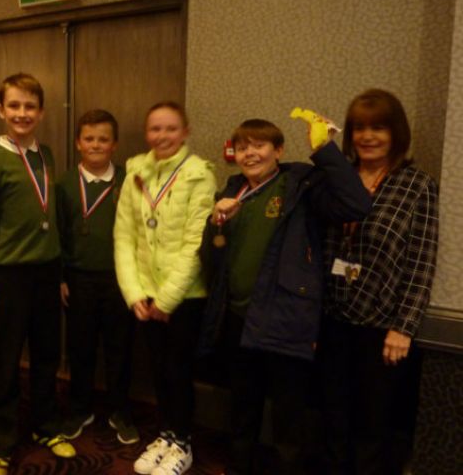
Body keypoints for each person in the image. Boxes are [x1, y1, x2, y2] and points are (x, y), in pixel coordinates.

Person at [199, 118, 371, 475]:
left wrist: (325, 151)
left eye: (259, 145)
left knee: (288, 417)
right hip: (238, 318)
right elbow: (212, 258)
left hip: (285, 318)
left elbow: (356, 205)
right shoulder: (232, 190)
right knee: (242, 409)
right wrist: (215, 222)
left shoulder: (300, 187)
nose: (250, 153)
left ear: (278, 150)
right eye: (242, 147)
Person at [320, 89, 439, 475]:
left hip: (382, 328)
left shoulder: (416, 185)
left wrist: (403, 327)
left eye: (378, 128)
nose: (367, 136)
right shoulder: (338, 178)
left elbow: (421, 262)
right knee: (331, 418)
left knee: (373, 427)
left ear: (396, 133)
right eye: (359, 128)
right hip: (332, 319)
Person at [0, 73, 76, 475]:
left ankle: (46, 426)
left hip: (46, 272)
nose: (22, 113)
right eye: (14, 105)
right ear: (1, 110)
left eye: (30, 106)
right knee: (6, 361)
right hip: (8, 274)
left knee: (47, 356)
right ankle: (1, 443)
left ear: (41, 112)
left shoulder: (45, 154)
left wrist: (59, 273)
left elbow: (49, 217)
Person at [114, 101, 216, 475]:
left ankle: (183, 443)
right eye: (156, 128)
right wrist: (134, 293)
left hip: (184, 297)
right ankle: (166, 434)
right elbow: (124, 237)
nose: (163, 136)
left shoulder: (198, 175)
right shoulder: (136, 173)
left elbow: (195, 245)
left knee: (178, 370)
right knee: (157, 368)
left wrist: (167, 299)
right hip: (145, 294)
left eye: (171, 128)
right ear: (147, 133)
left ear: (185, 132)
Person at [57, 109, 139, 444]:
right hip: (78, 280)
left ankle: (120, 411)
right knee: (81, 348)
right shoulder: (64, 184)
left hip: (121, 280)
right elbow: (59, 234)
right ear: (78, 143)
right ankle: (80, 409)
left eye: (103, 139)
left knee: (120, 349)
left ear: (114, 144)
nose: (95, 145)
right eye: (89, 139)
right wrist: (61, 277)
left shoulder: (129, 181)